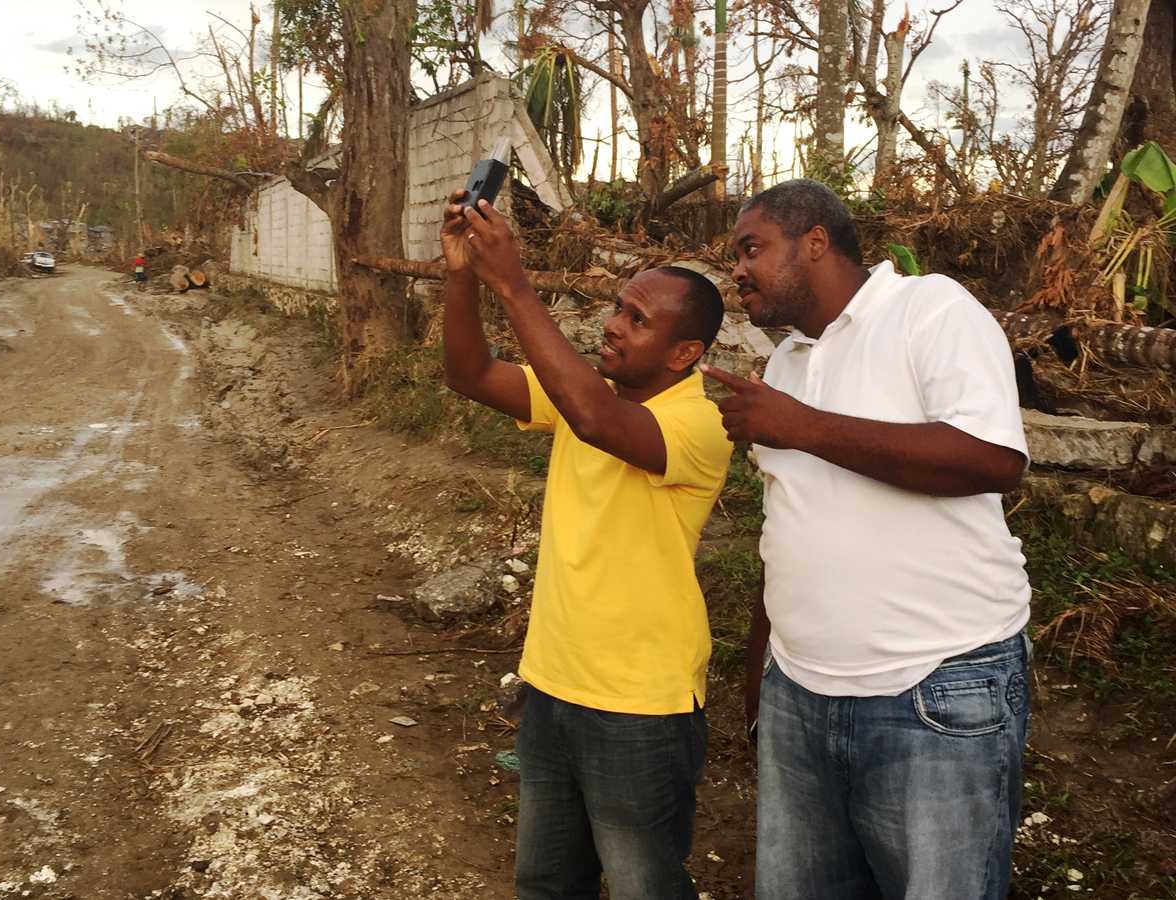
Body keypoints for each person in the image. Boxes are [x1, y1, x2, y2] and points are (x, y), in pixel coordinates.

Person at [701, 179, 1032, 900]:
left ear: (815, 242)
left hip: (936, 688)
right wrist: (763, 678)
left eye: (751, 248)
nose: (738, 270)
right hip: (800, 695)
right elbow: (788, 523)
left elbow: (993, 459)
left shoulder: (929, 309)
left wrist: (802, 427)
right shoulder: (787, 363)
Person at [440, 191, 733, 900]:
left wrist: (513, 283)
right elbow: (470, 375)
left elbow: (597, 421)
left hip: (641, 705)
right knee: (546, 883)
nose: (613, 326)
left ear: (685, 352)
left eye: (638, 319)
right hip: (550, 684)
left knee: (644, 888)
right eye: (617, 308)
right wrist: (463, 275)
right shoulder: (586, 391)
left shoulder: (699, 426)